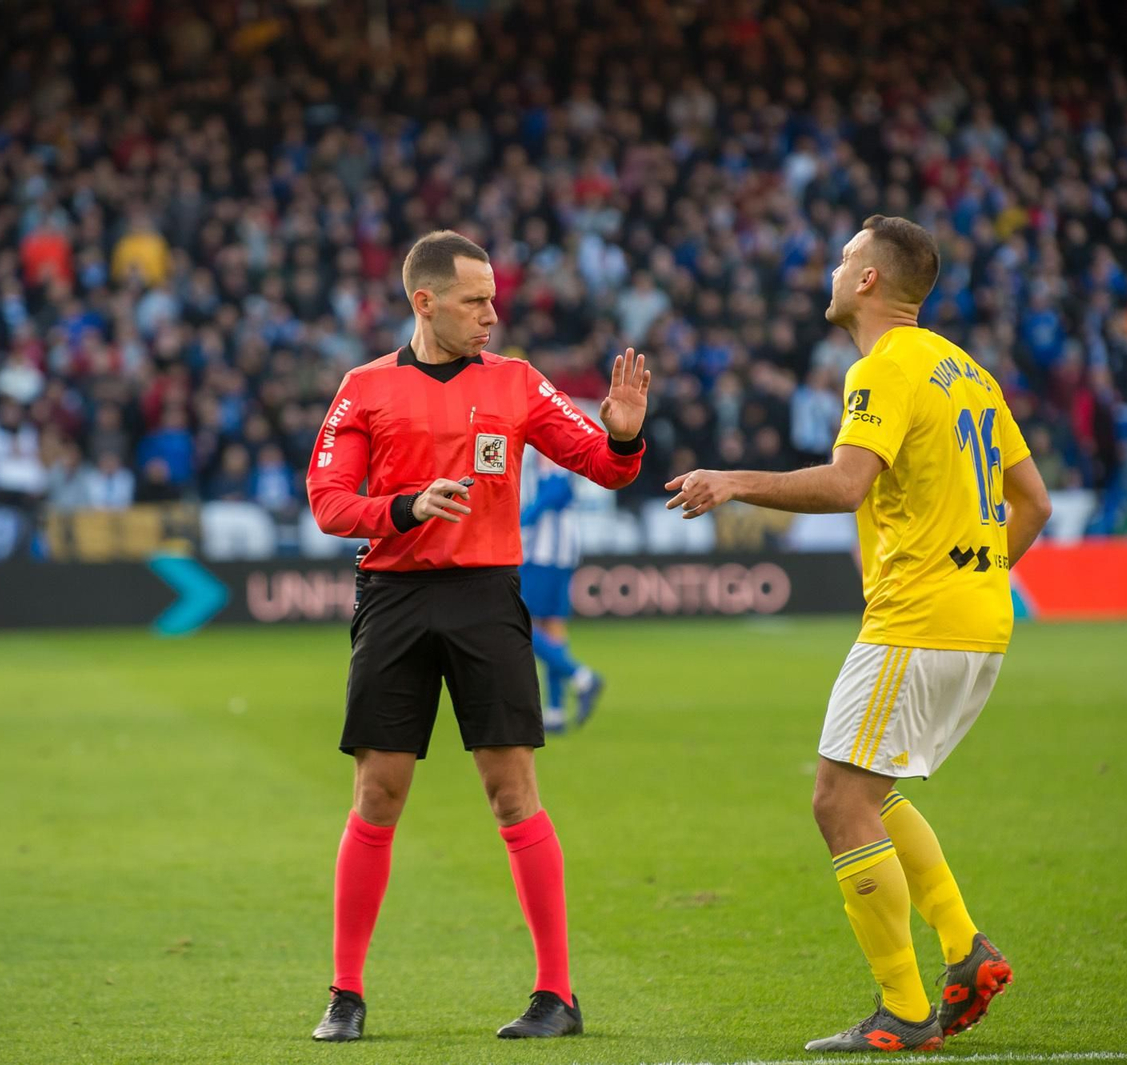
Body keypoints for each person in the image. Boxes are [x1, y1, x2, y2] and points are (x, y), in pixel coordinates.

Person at [664, 215, 1053, 1054]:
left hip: (918, 617)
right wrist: (982, 576)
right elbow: (1035, 503)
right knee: (870, 791)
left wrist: (733, 480)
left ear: (871, 281)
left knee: (838, 799)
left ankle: (906, 1011)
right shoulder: (967, 370)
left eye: (844, 259)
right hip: (978, 618)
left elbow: (846, 484)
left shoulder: (883, 367)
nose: (833, 270)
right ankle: (964, 950)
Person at [304, 230, 651, 1042]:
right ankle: (345, 993)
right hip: (392, 597)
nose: (492, 313)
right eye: (474, 300)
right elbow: (327, 502)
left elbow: (603, 464)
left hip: (487, 598)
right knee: (378, 792)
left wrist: (626, 433)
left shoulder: (518, 383)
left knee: (512, 790)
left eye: (493, 297)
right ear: (424, 302)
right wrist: (405, 507)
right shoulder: (364, 388)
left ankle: (556, 995)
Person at [519, 442, 602, 732]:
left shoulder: (550, 450)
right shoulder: (550, 451)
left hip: (541, 555)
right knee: (551, 628)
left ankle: (581, 676)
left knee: (519, 623)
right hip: (559, 554)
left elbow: (554, 492)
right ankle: (555, 711)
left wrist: (517, 523)